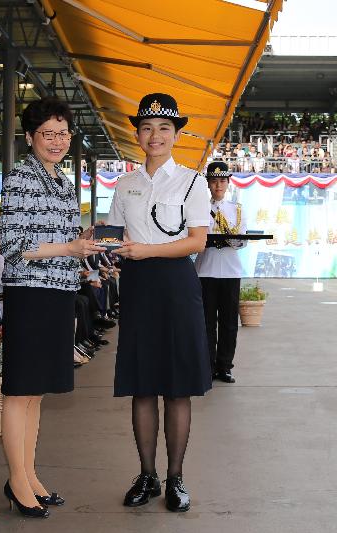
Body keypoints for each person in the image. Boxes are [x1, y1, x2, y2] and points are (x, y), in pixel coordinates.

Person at [107, 93, 211, 513]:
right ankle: (147, 474)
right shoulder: (125, 184)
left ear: (176, 134)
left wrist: (146, 251)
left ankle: (176, 478)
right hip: (137, 286)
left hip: (175, 285)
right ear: (137, 133)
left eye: (164, 128)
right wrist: (100, 248)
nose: (155, 136)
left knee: (178, 387)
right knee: (142, 385)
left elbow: (197, 241)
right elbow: (112, 236)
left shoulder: (192, 181)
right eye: (147, 128)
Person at [0, 96, 102, 518]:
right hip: (30, 293)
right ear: (30, 137)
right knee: (20, 390)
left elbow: (61, 239)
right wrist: (68, 246)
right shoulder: (19, 178)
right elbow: (11, 246)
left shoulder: (62, 180)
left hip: (59, 291)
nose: (57, 141)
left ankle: (29, 474)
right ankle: (16, 481)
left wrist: (83, 244)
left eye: (63, 133)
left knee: (36, 393)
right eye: (47, 134)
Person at [194, 162, 247, 384]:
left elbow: (241, 239)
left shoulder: (236, 209)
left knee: (229, 323)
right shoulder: (198, 209)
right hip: (206, 270)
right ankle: (207, 365)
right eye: (214, 181)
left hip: (230, 271)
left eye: (222, 181)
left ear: (228, 183)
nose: (218, 185)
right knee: (206, 322)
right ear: (208, 184)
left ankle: (224, 366)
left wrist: (231, 240)